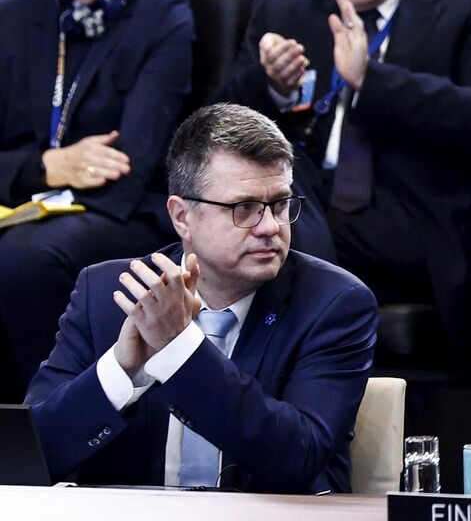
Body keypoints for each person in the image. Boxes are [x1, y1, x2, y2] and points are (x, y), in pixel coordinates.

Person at [212, 0, 471, 357]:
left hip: (414, 220)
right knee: (264, 192)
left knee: (271, 211)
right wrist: (271, 87)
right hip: (311, 212)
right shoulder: (283, 7)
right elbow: (218, 131)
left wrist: (369, 80)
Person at [26, 103, 378, 492]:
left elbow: (298, 458)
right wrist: (120, 369)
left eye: (280, 204)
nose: (270, 227)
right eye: (244, 208)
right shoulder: (108, 292)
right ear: (182, 217)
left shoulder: (334, 303)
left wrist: (180, 348)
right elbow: (31, 457)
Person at [0, 0, 194, 394]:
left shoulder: (163, 15)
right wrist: (47, 165)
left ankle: (55, 416)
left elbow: (131, 162)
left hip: (126, 211)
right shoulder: (13, 17)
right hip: (28, 206)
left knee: (26, 259)